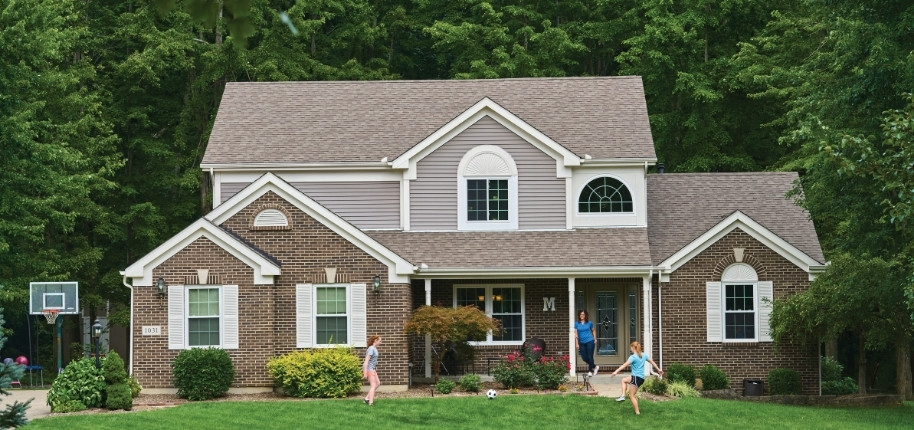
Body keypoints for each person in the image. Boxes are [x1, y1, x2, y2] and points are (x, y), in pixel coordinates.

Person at [610, 341, 663, 415]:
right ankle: (622, 395)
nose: (630, 349)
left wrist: (616, 371)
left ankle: (637, 412)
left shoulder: (633, 357)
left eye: (631, 347)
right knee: (624, 380)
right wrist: (659, 370)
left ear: (633, 347)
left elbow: (624, 365)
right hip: (641, 378)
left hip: (635, 377)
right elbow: (652, 362)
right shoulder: (644, 355)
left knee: (631, 396)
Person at [574, 310, 598, 375]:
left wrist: (595, 338)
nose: (582, 315)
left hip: (590, 341)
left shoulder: (589, 323)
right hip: (582, 342)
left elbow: (593, 331)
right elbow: (576, 334)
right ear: (579, 315)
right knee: (584, 358)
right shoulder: (576, 323)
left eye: (583, 314)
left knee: (590, 356)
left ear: (585, 315)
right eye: (581, 314)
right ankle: (595, 367)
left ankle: (590, 371)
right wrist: (577, 343)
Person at [363, 335, 382, 405]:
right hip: (369, 368)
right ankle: (370, 403)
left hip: (372, 368)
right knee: (373, 385)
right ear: (375, 341)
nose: (380, 342)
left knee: (378, 383)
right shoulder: (371, 349)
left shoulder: (374, 348)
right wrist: (365, 372)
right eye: (380, 341)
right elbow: (366, 361)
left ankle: (366, 399)